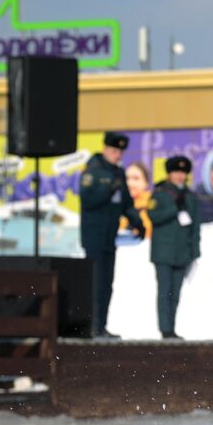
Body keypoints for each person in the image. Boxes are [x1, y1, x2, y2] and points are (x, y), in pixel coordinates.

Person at [79, 131, 145, 338]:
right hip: (94, 236)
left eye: (120, 152)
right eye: (115, 151)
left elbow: (126, 203)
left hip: (109, 237)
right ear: (105, 149)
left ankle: (101, 326)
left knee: (107, 283)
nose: (118, 156)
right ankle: (92, 326)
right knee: (95, 283)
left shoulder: (118, 173)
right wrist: (108, 189)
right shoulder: (93, 171)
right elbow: (88, 200)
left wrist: (137, 221)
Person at [148, 155, 201, 339]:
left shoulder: (191, 197)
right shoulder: (160, 193)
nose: (180, 176)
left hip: (182, 253)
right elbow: (154, 216)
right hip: (163, 252)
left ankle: (171, 328)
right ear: (169, 173)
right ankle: (165, 329)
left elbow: (195, 227)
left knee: (175, 294)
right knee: (165, 292)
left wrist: (195, 252)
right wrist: (173, 209)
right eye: (176, 172)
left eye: (183, 172)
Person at [119, 161, 153, 241]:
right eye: (127, 178)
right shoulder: (116, 203)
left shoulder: (154, 203)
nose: (130, 183)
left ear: (146, 182)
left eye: (136, 178)